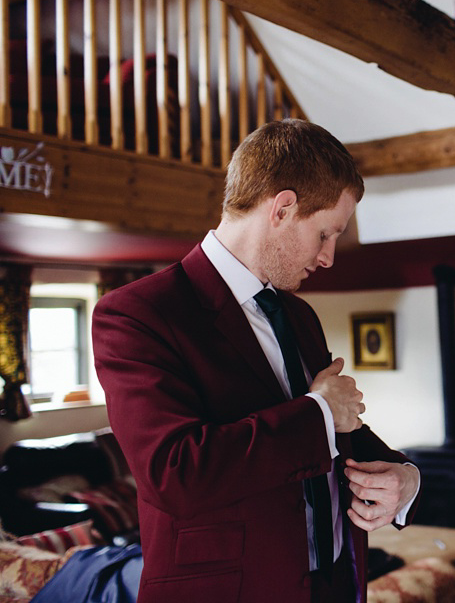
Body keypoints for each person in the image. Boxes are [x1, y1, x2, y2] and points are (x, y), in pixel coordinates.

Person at [92, 119, 420, 603]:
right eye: (325, 234)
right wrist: (320, 410)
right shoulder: (138, 314)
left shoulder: (300, 315)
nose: (328, 258)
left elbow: (335, 433)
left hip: (336, 585)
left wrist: (405, 476)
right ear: (283, 209)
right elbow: (173, 473)